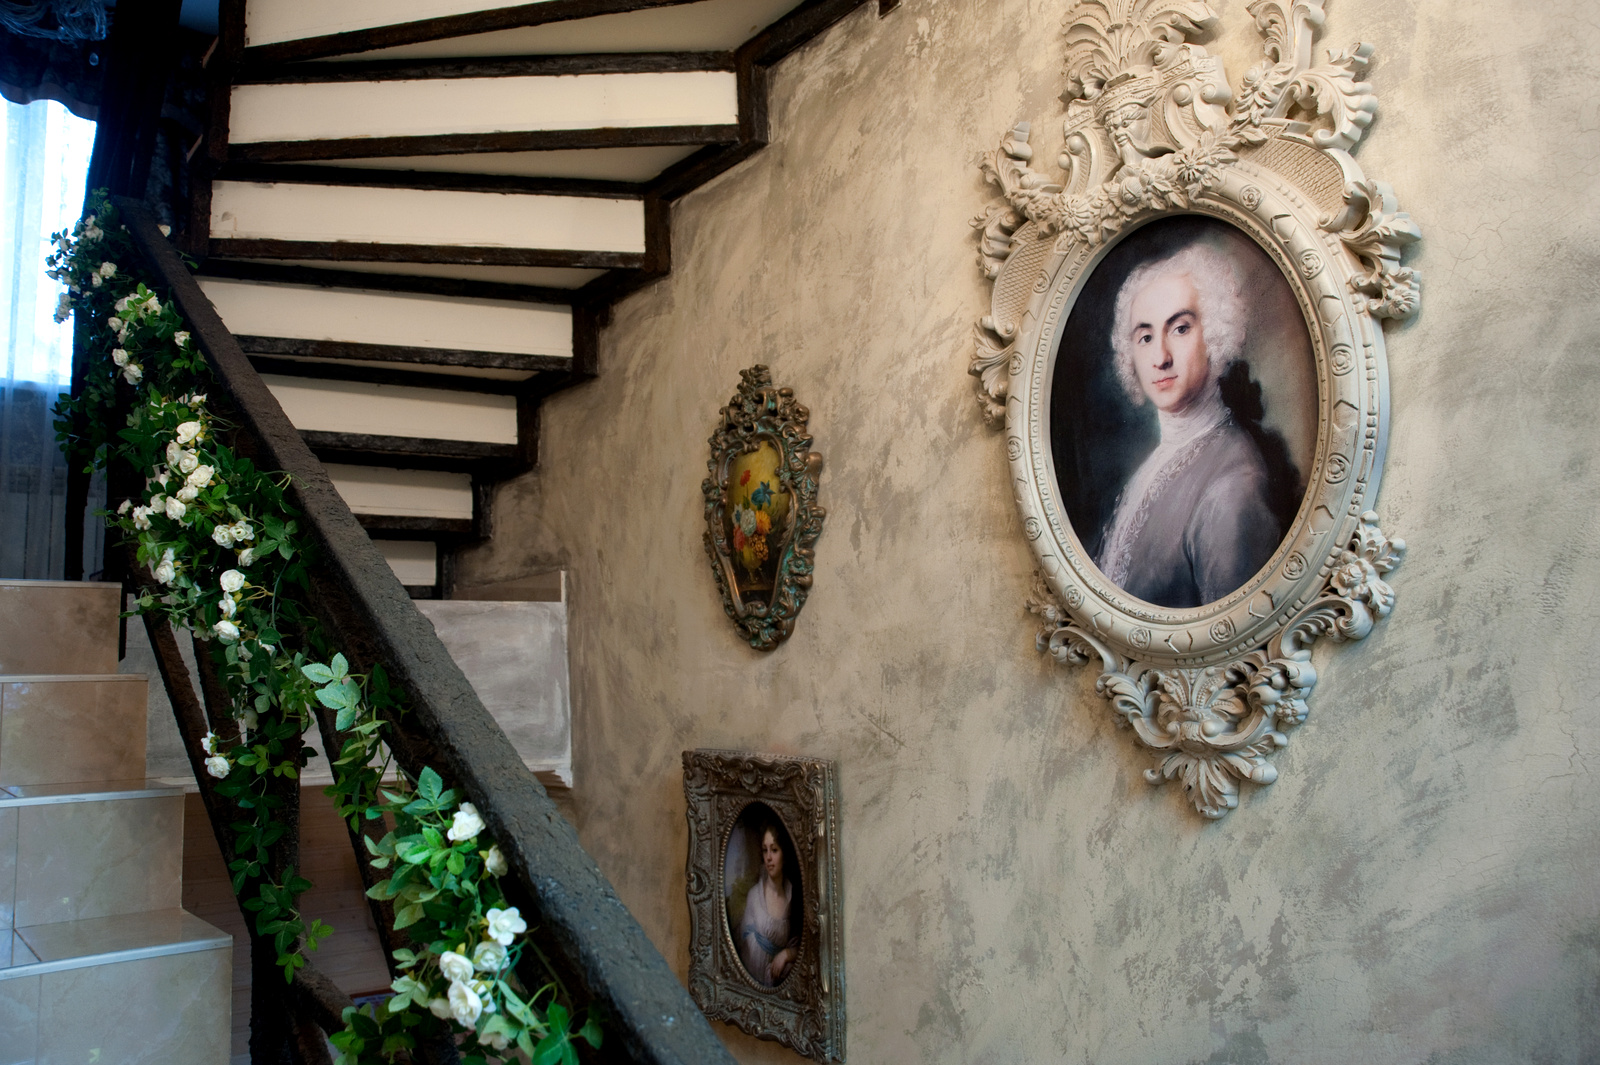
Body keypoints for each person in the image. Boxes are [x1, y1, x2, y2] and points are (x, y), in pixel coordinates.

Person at [1094, 242, 1281, 608]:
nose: (1160, 357)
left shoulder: (1233, 486)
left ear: (1213, 335)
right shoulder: (1158, 460)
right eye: (1146, 337)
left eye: (1180, 329)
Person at [737, 822, 799, 987]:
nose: (769, 858)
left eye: (774, 850)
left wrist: (786, 954)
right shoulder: (754, 896)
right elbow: (744, 947)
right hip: (752, 979)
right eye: (765, 850)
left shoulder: (792, 899)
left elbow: (801, 946)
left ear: (784, 855)